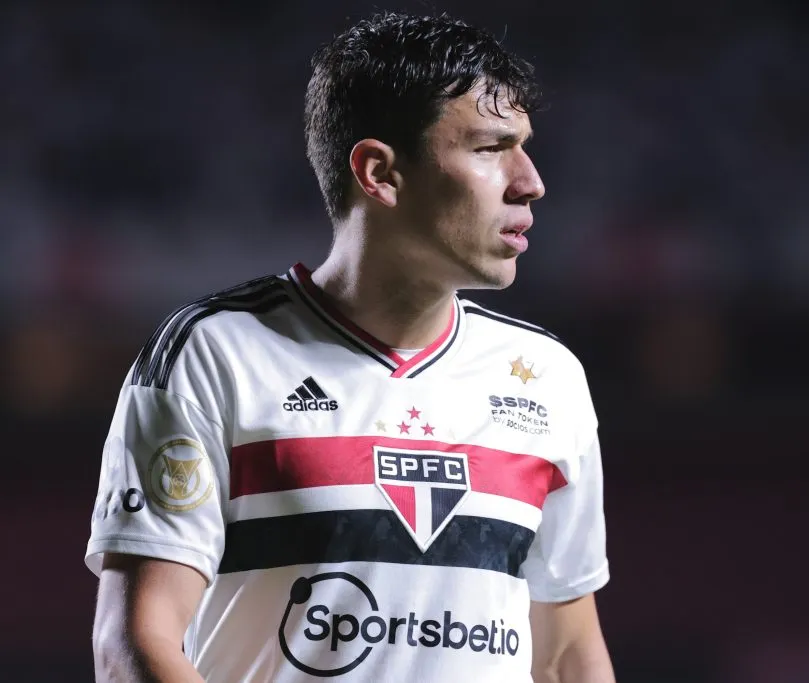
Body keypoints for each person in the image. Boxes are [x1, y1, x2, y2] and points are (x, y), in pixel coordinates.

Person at [87, 11, 614, 683]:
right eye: (489, 148)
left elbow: (567, 654)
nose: (530, 180)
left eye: (524, 146)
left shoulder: (548, 378)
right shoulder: (215, 355)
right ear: (379, 173)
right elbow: (135, 644)